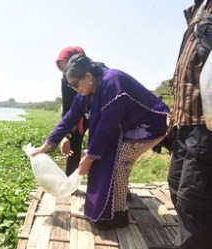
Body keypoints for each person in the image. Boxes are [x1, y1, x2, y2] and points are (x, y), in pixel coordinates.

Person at [31, 54, 169, 230]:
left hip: (149, 125)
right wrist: (46, 146)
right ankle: (117, 198)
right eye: (70, 85)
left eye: (75, 84)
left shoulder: (113, 82)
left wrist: (89, 157)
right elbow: (69, 119)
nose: (74, 89)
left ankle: (116, 215)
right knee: (106, 158)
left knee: (118, 160)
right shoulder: (84, 94)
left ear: (88, 76)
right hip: (124, 127)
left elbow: (106, 126)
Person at [167, 0, 212, 247]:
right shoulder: (198, 10)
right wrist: (174, 113)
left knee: (194, 201)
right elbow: (186, 74)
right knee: (176, 185)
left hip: (206, 126)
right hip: (185, 123)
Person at [55, 46, 88, 176]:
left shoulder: (99, 73)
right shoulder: (65, 80)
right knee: (73, 143)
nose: (67, 73)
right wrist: (65, 135)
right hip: (79, 115)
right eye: (63, 69)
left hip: (98, 113)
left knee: (98, 149)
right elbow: (67, 107)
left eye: (67, 66)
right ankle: (70, 182)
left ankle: (109, 187)